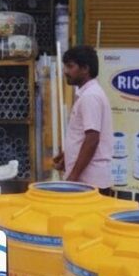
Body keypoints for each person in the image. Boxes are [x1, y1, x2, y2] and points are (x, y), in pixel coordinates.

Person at [53, 45, 114, 193]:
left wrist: (73, 178)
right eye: (65, 66)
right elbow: (84, 136)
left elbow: (92, 139)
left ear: (85, 68)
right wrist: (68, 156)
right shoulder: (88, 94)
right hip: (87, 182)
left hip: (88, 183)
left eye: (70, 66)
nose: (65, 71)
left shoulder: (90, 96)